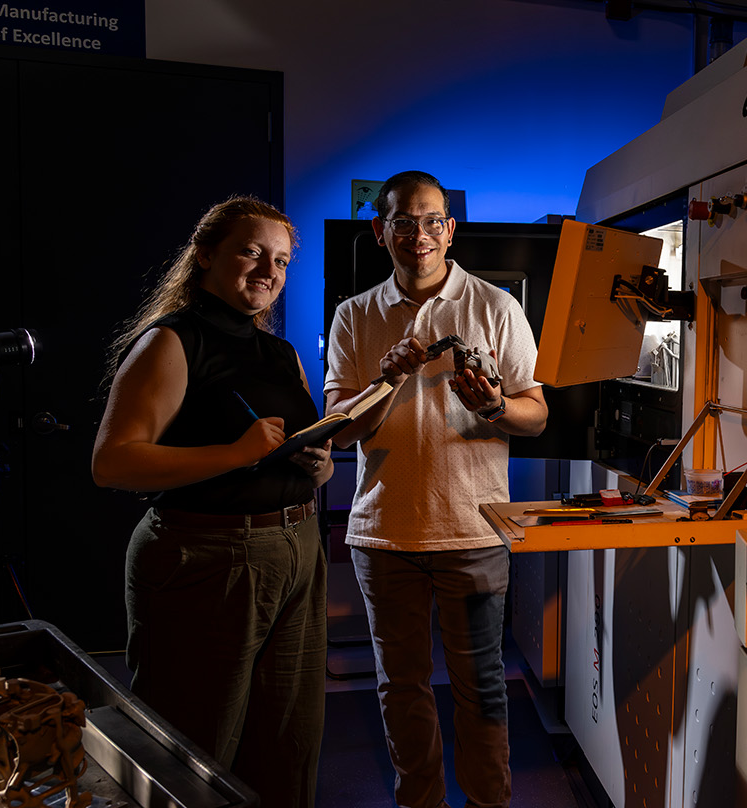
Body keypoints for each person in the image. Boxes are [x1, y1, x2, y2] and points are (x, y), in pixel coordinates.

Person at [92, 196, 332, 808]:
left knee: (288, 744)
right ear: (204, 256)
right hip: (207, 556)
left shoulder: (280, 354)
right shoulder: (172, 342)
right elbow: (113, 461)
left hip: (297, 548)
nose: (267, 271)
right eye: (251, 252)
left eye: (280, 260)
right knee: (194, 752)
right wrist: (236, 452)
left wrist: (317, 465)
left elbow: (286, 447)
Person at [324, 170, 547, 808]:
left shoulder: (495, 308)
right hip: (383, 531)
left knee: (482, 684)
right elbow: (342, 432)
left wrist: (498, 405)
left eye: (430, 221)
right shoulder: (354, 316)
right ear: (379, 230)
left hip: (475, 529)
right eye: (402, 221)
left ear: (449, 229)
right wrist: (388, 378)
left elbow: (537, 414)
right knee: (401, 686)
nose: (417, 235)